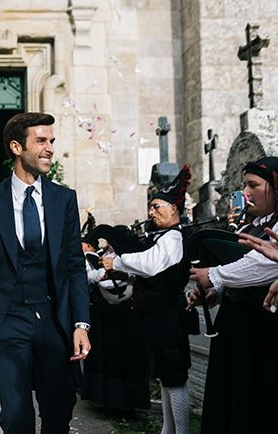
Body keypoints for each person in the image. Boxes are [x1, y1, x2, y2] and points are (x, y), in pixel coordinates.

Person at [0, 112, 90, 434]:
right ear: (17, 147)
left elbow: (75, 265)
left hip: (54, 320)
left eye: (52, 142)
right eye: (41, 141)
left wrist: (81, 323)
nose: (49, 149)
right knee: (16, 416)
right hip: (6, 321)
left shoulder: (64, 199)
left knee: (59, 413)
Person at [188, 157, 278, 434]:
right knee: (231, 400)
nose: (246, 192)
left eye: (253, 185)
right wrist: (213, 293)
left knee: (255, 401)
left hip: (261, 328)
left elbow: (264, 266)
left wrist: (214, 276)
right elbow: (237, 266)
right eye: (244, 185)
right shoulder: (248, 225)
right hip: (234, 327)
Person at [102, 166, 194, 434]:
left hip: (170, 316)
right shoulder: (162, 237)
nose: (151, 212)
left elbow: (151, 265)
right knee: (166, 377)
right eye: (150, 207)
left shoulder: (173, 237)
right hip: (158, 316)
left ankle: (182, 431)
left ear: (174, 209)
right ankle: (169, 429)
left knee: (175, 378)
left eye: (156, 206)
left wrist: (118, 260)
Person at [81, 219, 150, 413]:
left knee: (126, 358)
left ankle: (128, 402)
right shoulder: (103, 257)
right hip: (105, 313)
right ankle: (107, 400)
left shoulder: (132, 259)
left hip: (128, 315)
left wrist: (115, 275)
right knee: (108, 357)